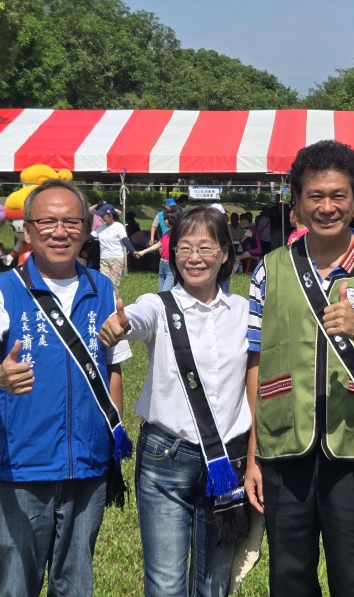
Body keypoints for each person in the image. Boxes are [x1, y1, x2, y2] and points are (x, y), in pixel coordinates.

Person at [244, 140, 354, 597]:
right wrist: (253, 453)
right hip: (284, 448)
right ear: (297, 202)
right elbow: (256, 362)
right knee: (289, 579)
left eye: (338, 195)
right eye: (315, 196)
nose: (326, 207)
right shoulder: (269, 270)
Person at [0, 179, 132, 597]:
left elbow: (113, 368)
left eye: (71, 221)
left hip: (87, 465)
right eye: (47, 222)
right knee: (18, 582)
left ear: (86, 228)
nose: (60, 231)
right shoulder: (2, 288)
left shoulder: (102, 288)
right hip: (22, 465)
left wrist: (112, 441)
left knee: (76, 580)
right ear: (27, 230)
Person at [100, 206, 250, 597]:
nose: (194, 258)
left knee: (214, 583)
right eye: (184, 248)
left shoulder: (244, 312)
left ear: (224, 253)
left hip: (228, 462)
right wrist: (121, 324)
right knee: (166, 584)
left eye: (205, 247)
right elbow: (137, 318)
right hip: (166, 457)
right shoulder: (157, 304)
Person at [91, 204, 135, 296]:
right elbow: (90, 236)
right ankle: (106, 302)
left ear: (110, 215)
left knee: (114, 285)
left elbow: (125, 240)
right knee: (104, 283)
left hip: (116, 259)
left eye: (103, 216)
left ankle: (114, 303)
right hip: (104, 259)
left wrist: (133, 251)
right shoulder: (101, 228)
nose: (101, 218)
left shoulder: (118, 226)